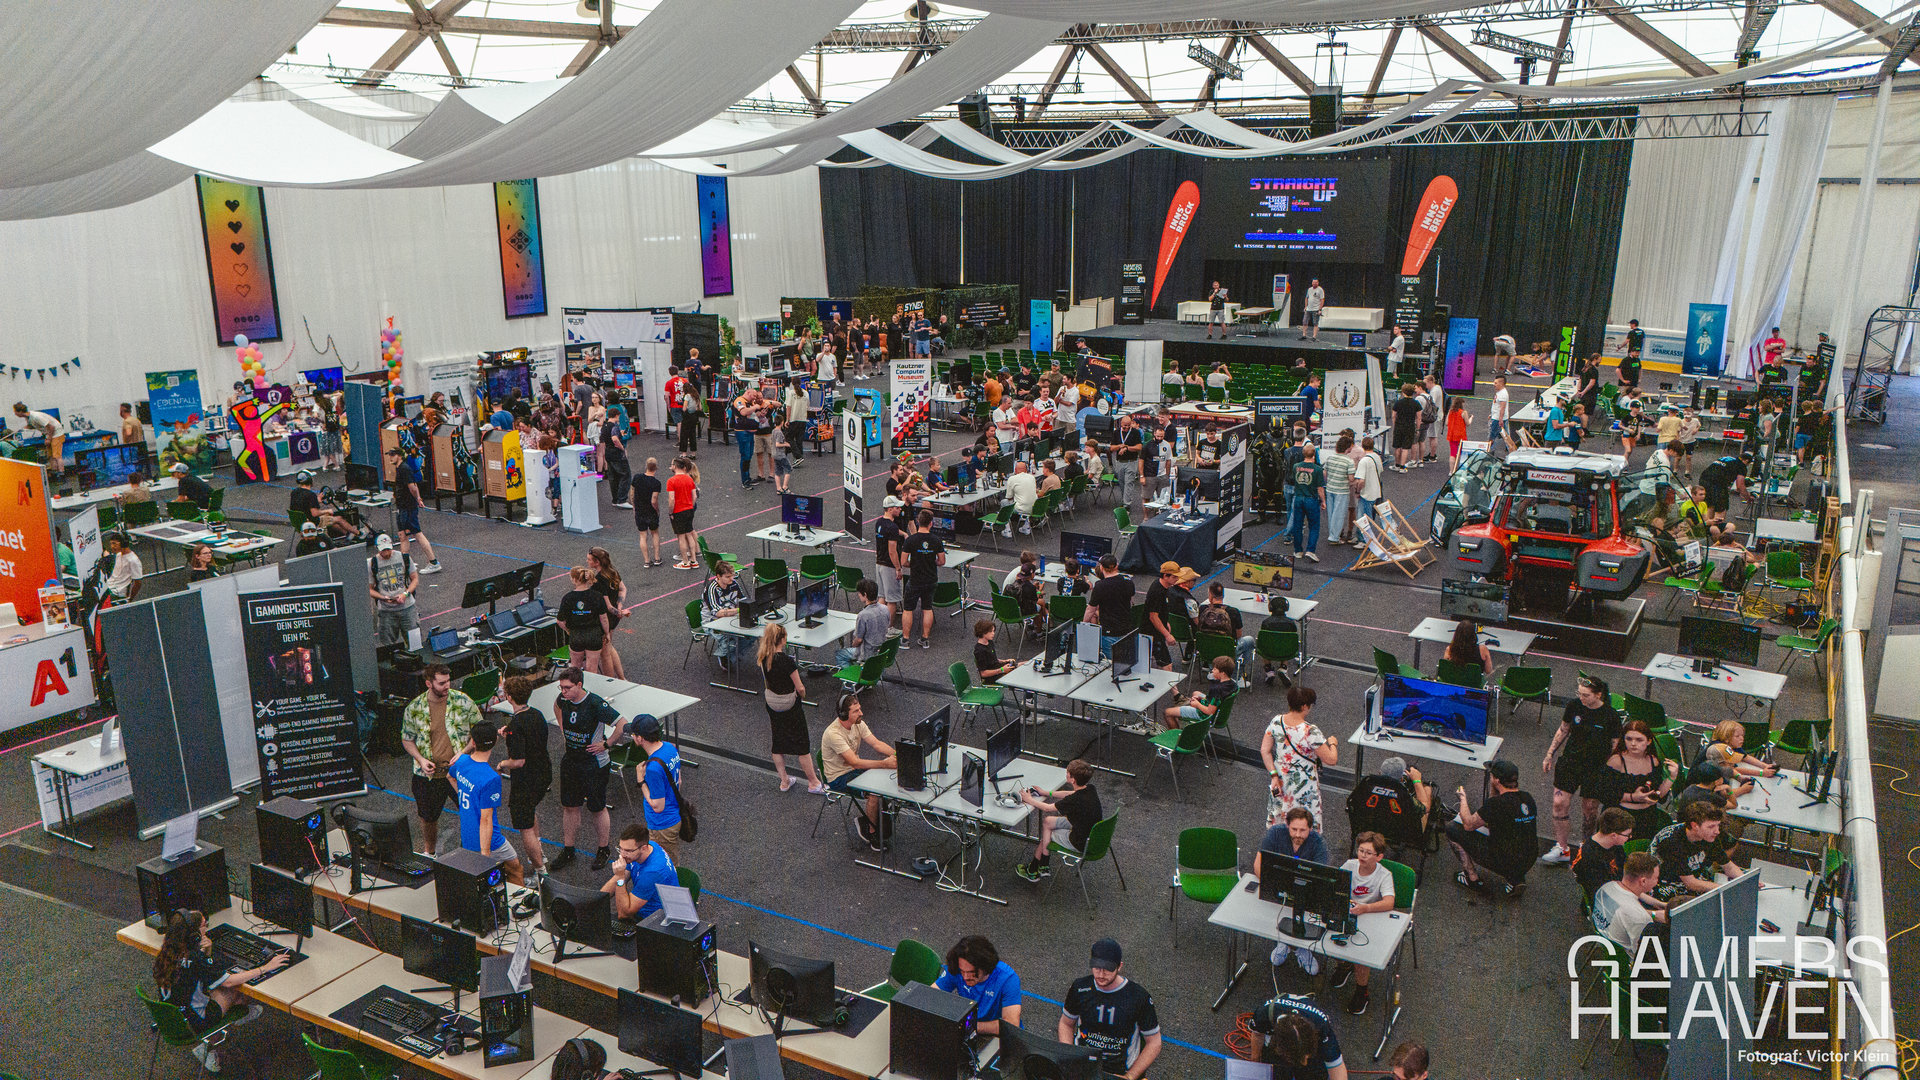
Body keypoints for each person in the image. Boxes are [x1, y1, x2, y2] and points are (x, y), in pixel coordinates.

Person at [154, 909, 285, 1073]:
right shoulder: (195, 958)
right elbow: (229, 982)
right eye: (204, 926)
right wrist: (265, 968)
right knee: (237, 987)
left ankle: (240, 1012)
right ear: (194, 935)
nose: (206, 929)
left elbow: (196, 973)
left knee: (213, 985)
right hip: (194, 1022)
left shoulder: (166, 951)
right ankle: (208, 1044)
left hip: (170, 1017)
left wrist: (207, 952)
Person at [1540, 674, 1623, 866]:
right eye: (1579, 693)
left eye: (1586, 695)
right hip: (1570, 762)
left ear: (1598, 695)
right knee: (1559, 803)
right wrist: (1549, 754)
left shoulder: (1610, 716)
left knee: (1589, 810)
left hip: (1595, 768)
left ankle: (1586, 848)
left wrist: (1610, 771)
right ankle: (1562, 848)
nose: (1581, 698)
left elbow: (1615, 745)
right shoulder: (1574, 706)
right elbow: (1563, 730)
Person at [550, 667, 624, 872]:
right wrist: (563, 729)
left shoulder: (595, 704)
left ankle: (603, 849)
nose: (563, 691)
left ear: (579, 685)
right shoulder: (563, 699)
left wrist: (606, 744)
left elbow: (622, 723)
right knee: (570, 806)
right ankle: (568, 849)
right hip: (571, 760)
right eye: (561, 687)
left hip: (594, 763)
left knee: (597, 807)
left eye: (567, 687)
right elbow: (556, 706)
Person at [402, 664, 480, 856]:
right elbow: (407, 739)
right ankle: (430, 853)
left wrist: (464, 752)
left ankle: (471, 854)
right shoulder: (414, 708)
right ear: (429, 683)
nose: (447, 686)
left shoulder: (463, 701)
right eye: (442, 683)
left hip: (460, 773)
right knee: (428, 817)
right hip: (428, 776)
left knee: (472, 814)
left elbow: (480, 731)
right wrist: (420, 759)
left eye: (448, 681)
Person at [1060, 939, 1161, 1080]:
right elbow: (1066, 1023)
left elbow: (1154, 1042)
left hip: (1120, 1072)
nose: (1101, 974)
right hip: (1084, 1066)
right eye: (1096, 967)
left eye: (1108, 969)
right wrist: (1070, 1058)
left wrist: (1129, 1076)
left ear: (1120, 967)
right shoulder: (1079, 988)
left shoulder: (1139, 997)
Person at [1446, 758, 1539, 895]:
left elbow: (1468, 824)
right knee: (1513, 839)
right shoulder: (1527, 798)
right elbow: (1493, 814)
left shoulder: (1497, 804)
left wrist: (1463, 799)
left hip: (1503, 860)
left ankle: (1471, 878)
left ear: (1497, 780)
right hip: (1529, 858)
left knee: (1452, 828)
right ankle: (1516, 879)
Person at [1255, 808, 1331, 973]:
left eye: (1303, 830)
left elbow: (1321, 878)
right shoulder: (1275, 833)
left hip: (1306, 896)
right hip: (1278, 891)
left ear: (1310, 828)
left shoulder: (1318, 843)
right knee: (1269, 916)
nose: (1298, 834)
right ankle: (1284, 942)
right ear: (1287, 825)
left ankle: (1301, 947)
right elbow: (1259, 864)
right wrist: (1270, 885)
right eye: (1294, 829)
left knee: (1302, 920)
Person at [449, 720, 526, 884]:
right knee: (515, 870)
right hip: (491, 841)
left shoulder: (461, 761)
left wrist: (467, 798)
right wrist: (485, 855)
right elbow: (486, 819)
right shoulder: (490, 778)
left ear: (473, 742)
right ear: (495, 741)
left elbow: (450, 776)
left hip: (467, 836)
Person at [1330, 832, 1396, 1014]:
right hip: (1349, 912)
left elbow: (1389, 902)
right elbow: (1335, 884)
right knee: (1329, 935)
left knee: (1361, 953)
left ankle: (1362, 991)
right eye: (1360, 851)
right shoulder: (1349, 865)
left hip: (1370, 916)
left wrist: (1366, 908)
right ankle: (1345, 964)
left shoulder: (1384, 875)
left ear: (1379, 857)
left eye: (1368, 853)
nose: (1362, 856)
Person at [822, 694, 896, 850]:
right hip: (839, 777)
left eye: (860, 709)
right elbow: (854, 762)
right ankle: (871, 832)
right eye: (856, 711)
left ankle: (871, 818)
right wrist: (884, 763)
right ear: (844, 714)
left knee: (885, 774)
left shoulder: (858, 723)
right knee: (874, 792)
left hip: (853, 769)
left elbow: (876, 744)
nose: (861, 713)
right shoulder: (833, 734)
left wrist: (898, 756)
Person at [759, 623, 826, 794]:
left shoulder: (764, 658)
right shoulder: (787, 661)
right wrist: (802, 696)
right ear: (782, 639)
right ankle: (813, 783)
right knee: (802, 744)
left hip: (772, 704)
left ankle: (784, 781)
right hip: (790, 706)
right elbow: (800, 687)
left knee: (778, 742)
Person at [495, 675, 551, 879]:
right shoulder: (536, 714)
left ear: (509, 697)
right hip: (543, 773)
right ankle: (539, 853)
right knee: (530, 811)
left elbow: (518, 761)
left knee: (525, 826)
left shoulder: (516, 725)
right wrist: (509, 734)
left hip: (526, 780)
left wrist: (502, 764)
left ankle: (540, 872)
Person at [1262, 686, 1336, 828]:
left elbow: (1265, 750)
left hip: (1280, 782)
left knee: (1281, 827)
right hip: (1303, 786)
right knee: (1304, 827)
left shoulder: (1276, 721)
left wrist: (1274, 775)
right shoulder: (1310, 731)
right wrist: (1333, 744)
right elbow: (1331, 759)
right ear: (1304, 706)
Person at [1015, 759, 1101, 881]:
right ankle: (1043, 864)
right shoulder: (1090, 788)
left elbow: (1047, 808)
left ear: (1072, 779)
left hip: (1080, 842)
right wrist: (1046, 793)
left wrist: (1029, 799)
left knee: (1047, 835)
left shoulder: (1074, 800)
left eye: (1068, 773)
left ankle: (1035, 869)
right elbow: (1069, 793)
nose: (1066, 774)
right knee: (1048, 821)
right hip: (1091, 831)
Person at [1597, 719, 1678, 840]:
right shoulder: (1616, 761)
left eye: (1639, 740)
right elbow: (1603, 793)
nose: (1633, 744)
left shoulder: (1653, 761)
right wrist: (1633, 797)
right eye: (1629, 739)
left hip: (1646, 819)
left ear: (1649, 741)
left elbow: (1659, 795)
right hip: (1619, 820)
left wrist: (1672, 777)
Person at [934, 936, 1022, 1036]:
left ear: (985, 967)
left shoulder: (1008, 979)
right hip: (967, 1029)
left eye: (972, 972)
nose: (965, 977)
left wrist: (969, 1026)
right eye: (962, 971)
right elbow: (931, 995)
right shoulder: (956, 967)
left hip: (997, 1036)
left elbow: (1011, 1025)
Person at [628, 713, 684, 865]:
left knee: (666, 864)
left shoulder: (653, 769)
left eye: (633, 734)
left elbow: (658, 807)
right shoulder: (670, 748)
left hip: (662, 824)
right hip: (674, 814)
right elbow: (679, 781)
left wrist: (641, 781)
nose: (632, 737)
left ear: (640, 738)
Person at [1252, 994, 1347, 1080]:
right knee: (1277, 1073)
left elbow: (1336, 1066)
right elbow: (1257, 1035)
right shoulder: (1264, 1014)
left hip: (1308, 1047)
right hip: (1277, 1048)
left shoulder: (1321, 1026)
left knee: (1315, 1074)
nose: (1305, 1062)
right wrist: (1255, 1063)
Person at [1649, 800, 1728, 901]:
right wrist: (1725, 889)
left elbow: (1728, 866)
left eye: (1718, 825)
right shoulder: (1672, 842)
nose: (1717, 831)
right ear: (1695, 826)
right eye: (1711, 826)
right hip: (1665, 883)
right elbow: (1690, 883)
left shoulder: (1708, 835)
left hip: (1693, 877)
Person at [1593, 851, 1669, 956]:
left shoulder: (1606, 887)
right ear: (1643, 881)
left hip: (1603, 941)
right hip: (1626, 958)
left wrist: (1658, 906)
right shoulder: (1640, 918)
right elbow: (1643, 954)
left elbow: (1629, 906)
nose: (1657, 882)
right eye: (1656, 878)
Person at [603, 822, 679, 921]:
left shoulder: (652, 872)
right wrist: (596, 901)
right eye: (620, 849)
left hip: (654, 920)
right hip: (643, 908)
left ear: (643, 848)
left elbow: (623, 914)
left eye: (628, 851)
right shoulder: (648, 847)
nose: (622, 855)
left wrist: (620, 877)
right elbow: (621, 876)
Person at [383, 447, 442, 574]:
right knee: (402, 535)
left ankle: (433, 562)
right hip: (402, 507)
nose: (390, 457)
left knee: (417, 533)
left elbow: (412, 487)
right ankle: (405, 564)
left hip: (408, 507)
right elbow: (414, 485)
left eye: (393, 455)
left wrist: (417, 499)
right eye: (390, 455)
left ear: (399, 456)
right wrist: (418, 498)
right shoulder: (400, 468)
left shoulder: (404, 469)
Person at [899, 509, 946, 649]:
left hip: (915, 579)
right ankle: (925, 639)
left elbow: (903, 561)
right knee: (927, 608)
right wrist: (932, 562)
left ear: (918, 522)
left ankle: (906, 639)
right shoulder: (936, 540)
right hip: (931, 579)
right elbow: (942, 561)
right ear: (931, 523)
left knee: (908, 609)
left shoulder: (911, 540)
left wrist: (913, 563)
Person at [1570, 805, 1634, 900]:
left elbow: (1624, 873)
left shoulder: (1616, 846)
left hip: (1619, 889)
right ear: (1614, 835)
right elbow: (1602, 893)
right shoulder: (1590, 857)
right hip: (1604, 899)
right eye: (1627, 835)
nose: (1630, 837)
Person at [558, 565, 612, 675]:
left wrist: (568, 630)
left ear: (574, 579)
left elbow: (560, 621)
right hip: (593, 634)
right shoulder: (597, 596)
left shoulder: (568, 598)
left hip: (576, 635)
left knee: (575, 667)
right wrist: (606, 633)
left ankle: (576, 684)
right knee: (592, 668)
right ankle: (590, 685)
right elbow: (604, 619)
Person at [366, 534, 419, 645]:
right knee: (388, 646)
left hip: (407, 608)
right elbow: (369, 589)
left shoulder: (404, 558)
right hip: (386, 611)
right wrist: (383, 597)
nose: (386, 553)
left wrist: (405, 594)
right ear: (377, 548)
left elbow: (415, 579)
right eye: (383, 550)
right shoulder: (372, 563)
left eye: (388, 549)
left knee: (415, 643)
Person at [1163, 656, 1236, 730]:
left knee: (1167, 713)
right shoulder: (1233, 684)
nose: (1212, 671)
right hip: (1217, 709)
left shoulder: (1216, 690)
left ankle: (1179, 735)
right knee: (1196, 693)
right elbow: (1214, 700)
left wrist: (1197, 704)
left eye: (1215, 669)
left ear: (1223, 673)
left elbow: (1209, 712)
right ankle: (1188, 706)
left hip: (1204, 715)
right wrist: (1202, 699)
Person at [1088, 554, 1135, 657]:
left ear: (1101, 567)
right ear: (1116, 566)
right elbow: (1130, 601)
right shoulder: (1128, 581)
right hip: (1126, 630)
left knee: (1109, 663)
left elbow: (1090, 610)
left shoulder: (1100, 586)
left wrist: (1084, 624)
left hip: (1109, 632)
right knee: (1124, 662)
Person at [1287, 439, 1325, 560]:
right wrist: (1323, 501)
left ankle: (1298, 551)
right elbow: (1320, 488)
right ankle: (1310, 550)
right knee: (1314, 526)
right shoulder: (1318, 469)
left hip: (1298, 498)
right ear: (1314, 454)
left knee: (1298, 525)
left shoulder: (1296, 467)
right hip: (1311, 499)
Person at [702, 562, 746, 666]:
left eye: (732, 576)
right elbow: (718, 613)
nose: (732, 579)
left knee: (749, 636)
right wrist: (739, 610)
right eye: (728, 577)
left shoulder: (734, 584)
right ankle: (722, 656)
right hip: (712, 622)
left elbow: (743, 601)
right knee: (728, 639)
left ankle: (732, 656)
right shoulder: (712, 588)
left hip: (730, 617)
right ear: (718, 576)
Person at [1705, 719, 1780, 779]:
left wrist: (1765, 766)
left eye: (1742, 735)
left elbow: (1745, 757)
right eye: (1737, 736)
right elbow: (1732, 770)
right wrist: (1761, 773)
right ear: (1726, 738)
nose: (1742, 739)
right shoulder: (1719, 749)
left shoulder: (1732, 744)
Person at [665, 456, 700, 570]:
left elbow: (671, 499)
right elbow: (694, 496)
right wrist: (691, 505)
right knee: (689, 533)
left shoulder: (671, 481)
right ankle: (693, 560)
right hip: (689, 509)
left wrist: (671, 512)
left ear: (675, 466)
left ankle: (685, 561)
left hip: (678, 511)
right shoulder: (689, 479)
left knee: (681, 537)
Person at [630, 457, 663, 568]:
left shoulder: (637, 478)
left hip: (640, 510)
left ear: (646, 466)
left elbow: (632, 494)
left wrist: (634, 506)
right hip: (650, 511)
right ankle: (657, 558)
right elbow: (654, 500)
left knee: (643, 535)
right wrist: (657, 510)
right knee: (655, 533)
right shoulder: (656, 483)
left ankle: (647, 560)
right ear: (656, 468)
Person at [1389, 384, 1420, 472]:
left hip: (1399, 426)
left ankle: (1397, 465)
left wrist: (1395, 425)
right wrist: (1417, 428)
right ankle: (1402, 467)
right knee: (1405, 448)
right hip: (1410, 426)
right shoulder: (1416, 403)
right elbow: (1418, 417)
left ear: (1403, 392)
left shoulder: (1398, 402)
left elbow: (1393, 415)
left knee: (1397, 446)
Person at [974, 618, 1016, 683]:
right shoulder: (979, 651)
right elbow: (983, 673)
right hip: (992, 677)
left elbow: (991, 660)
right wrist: (1002, 670)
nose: (993, 633)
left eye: (993, 631)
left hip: (998, 668)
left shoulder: (989, 642)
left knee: (1021, 665)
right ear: (983, 632)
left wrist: (1004, 661)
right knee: (1017, 675)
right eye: (991, 631)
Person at [1004, 461, 1039, 536]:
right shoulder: (1032, 477)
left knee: (1004, 502)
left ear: (1015, 470)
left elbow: (1009, 497)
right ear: (1026, 470)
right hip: (1034, 507)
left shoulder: (1012, 479)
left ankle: (1007, 530)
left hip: (1021, 509)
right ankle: (1026, 526)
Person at [1444, 397, 1471, 471]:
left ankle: (1451, 471)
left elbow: (1446, 423)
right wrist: (1471, 418)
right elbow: (1467, 423)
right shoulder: (1463, 412)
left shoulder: (1450, 411)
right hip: (1461, 435)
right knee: (1463, 453)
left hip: (1452, 435)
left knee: (1453, 453)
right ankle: (1462, 470)